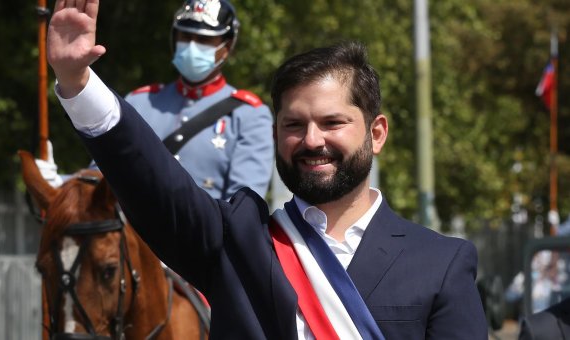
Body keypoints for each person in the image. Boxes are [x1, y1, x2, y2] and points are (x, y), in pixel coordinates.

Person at [46, 0, 488, 338]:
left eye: (332, 122)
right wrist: (76, 81)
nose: (312, 140)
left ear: (376, 133)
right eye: (294, 125)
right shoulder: (236, 245)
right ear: (277, 134)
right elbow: (151, 177)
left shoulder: (442, 263)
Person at [36, 0, 274, 201]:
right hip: (130, 249)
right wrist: (63, 184)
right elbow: (103, 176)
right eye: (185, 36)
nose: (191, 46)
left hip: (199, 251)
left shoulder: (249, 115)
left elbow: (243, 210)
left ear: (227, 46)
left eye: (204, 40)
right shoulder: (141, 101)